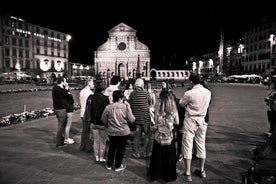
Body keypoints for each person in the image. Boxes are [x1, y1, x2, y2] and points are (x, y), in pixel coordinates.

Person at [179, 73, 211, 182]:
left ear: (191, 82)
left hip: (191, 119)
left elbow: (182, 103)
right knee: (201, 144)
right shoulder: (208, 92)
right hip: (202, 120)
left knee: (188, 144)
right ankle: (202, 170)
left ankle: (188, 173)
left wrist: (188, 107)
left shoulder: (189, 93)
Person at [148, 90, 179, 182]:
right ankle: (168, 175)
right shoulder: (173, 109)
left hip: (159, 135)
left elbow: (156, 122)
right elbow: (177, 122)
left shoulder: (158, 109)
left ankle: (157, 174)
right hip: (169, 135)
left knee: (158, 155)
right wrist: (170, 122)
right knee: (169, 156)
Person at [101, 90, 135, 172]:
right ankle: (117, 166)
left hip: (112, 131)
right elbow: (132, 119)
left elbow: (103, 119)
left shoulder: (108, 107)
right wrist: (129, 108)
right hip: (123, 131)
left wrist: (108, 125)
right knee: (121, 148)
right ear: (120, 98)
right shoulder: (125, 107)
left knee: (112, 147)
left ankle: (109, 164)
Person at [85, 80, 110, 163]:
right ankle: (101, 157)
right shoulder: (105, 99)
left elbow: (89, 110)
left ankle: (96, 156)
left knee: (96, 140)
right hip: (102, 123)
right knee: (103, 141)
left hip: (93, 122)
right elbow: (107, 112)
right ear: (103, 88)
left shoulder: (91, 97)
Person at [129, 78, 152, 158]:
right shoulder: (146, 93)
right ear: (142, 85)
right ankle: (146, 152)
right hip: (145, 117)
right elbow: (150, 102)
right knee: (147, 135)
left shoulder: (132, 94)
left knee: (136, 137)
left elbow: (130, 103)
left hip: (136, 118)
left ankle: (137, 153)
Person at [52, 77, 73, 147]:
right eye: (65, 81)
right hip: (62, 109)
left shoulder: (54, 88)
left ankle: (61, 139)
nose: (66, 82)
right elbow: (69, 96)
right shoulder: (62, 90)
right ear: (62, 82)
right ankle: (59, 141)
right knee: (61, 126)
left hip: (56, 109)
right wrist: (67, 88)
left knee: (61, 125)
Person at [79, 78, 94, 152]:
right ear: (89, 83)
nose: (93, 85)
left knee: (84, 130)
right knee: (88, 131)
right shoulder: (90, 93)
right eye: (92, 83)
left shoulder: (82, 91)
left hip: (82, 112)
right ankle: (88, 146)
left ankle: (83, 145)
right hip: (87, 114)